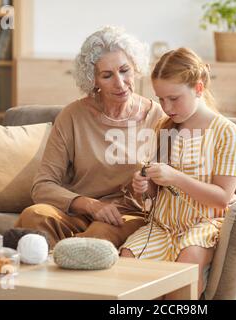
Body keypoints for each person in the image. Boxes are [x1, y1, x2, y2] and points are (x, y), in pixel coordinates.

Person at [14, 26, 164, 248]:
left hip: (127, 216)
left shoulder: (157, 117)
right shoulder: (73, 116)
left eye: (125, 70)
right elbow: (43, 185)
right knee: (33, 216)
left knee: (98, 236)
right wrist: (89, 205)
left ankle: (65, 271)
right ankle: (46, 277)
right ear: (93, 80)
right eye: (107, 75)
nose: (120, 83)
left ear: (135, 67)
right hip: (81, 211)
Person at [120, 48, 236, 299]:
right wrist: (146, 185)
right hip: (163, 226)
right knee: (127, 261)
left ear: (198, 89)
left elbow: (222, 197)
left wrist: (175, 177)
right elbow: (157, 191)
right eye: (161, 99)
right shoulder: (166, 128)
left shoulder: (226, 132)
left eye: (173, 98)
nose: (166, 107)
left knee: (187, 260)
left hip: (204, 225)